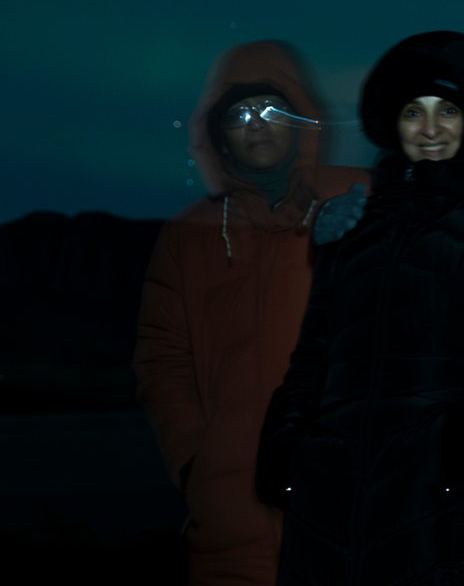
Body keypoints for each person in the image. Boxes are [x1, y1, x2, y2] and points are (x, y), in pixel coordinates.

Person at [258, 31, 464, 585]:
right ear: (392, 123)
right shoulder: (354, 229)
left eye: (447, 110)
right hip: (331, 505)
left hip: (446, 509)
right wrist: (288, 443)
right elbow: (312, 355)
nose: (431, 129)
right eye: (414, 111)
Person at [134, 40, 369, 586]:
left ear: (299, 119)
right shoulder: (187, 238)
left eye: (270, 108)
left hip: (348, 514)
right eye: (239, 114)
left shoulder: (356, 196)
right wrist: (197, 463)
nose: (256, 124)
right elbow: (162, 360)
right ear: (217, 132)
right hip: (231, 525)